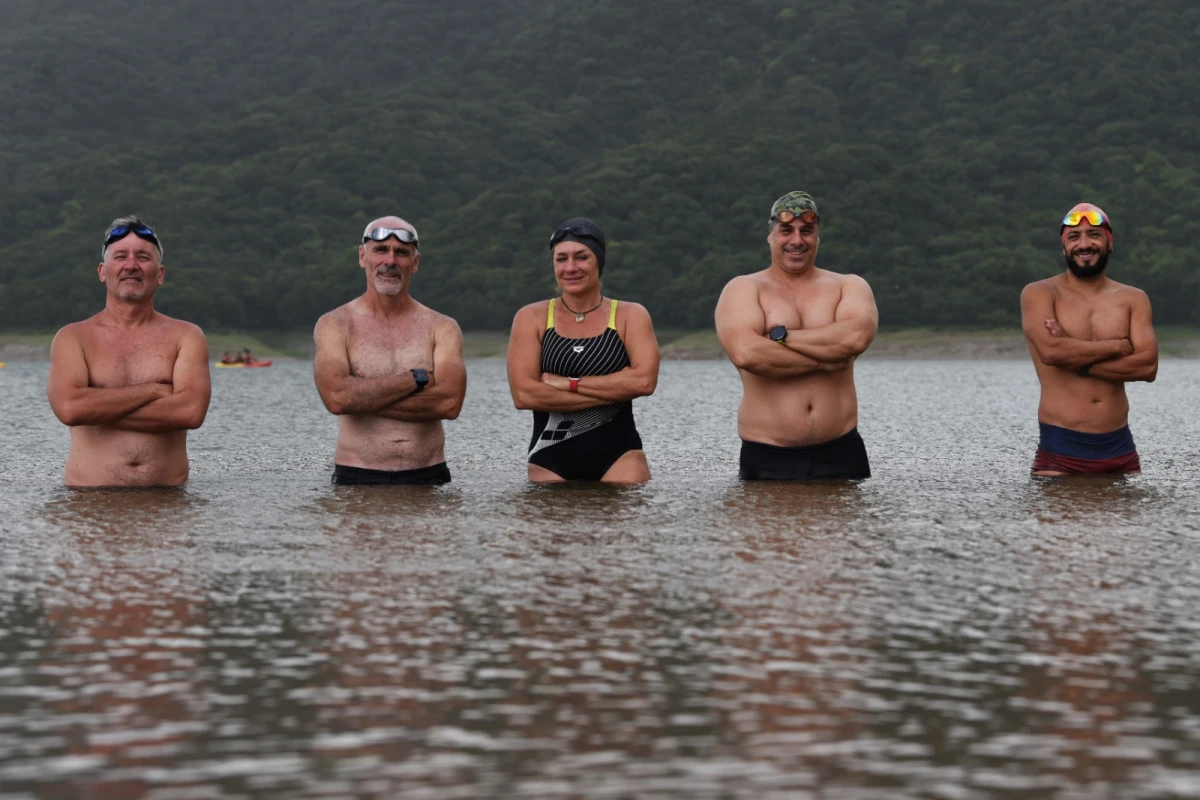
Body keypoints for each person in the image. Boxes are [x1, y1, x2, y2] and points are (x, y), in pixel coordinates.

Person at [714, 191, 877, 480]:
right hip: (768, 453)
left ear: (818, 237)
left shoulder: (849, 286)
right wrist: (827, 361)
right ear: (771, 236)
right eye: (786, 230)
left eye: (807, 231)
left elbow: (853, 339)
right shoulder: (743, 289)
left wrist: (779, 336)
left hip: (842, 450)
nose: (797, 240)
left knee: (846, 528)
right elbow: (748, 354)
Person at [46, 216, 211, 487]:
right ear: (102, 271)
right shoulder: (73, 338)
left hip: (167, 505)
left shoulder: (186, 336)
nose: (131, 265)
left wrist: (96, 408)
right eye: (120, 256)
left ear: (159, 274)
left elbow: (191, 412)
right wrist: (155, 390)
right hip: (88, 504)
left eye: (143, 258)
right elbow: (70, 408)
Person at [313, 216, 466, 485]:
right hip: (357, 475)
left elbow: (449, 403)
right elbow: (337, 398)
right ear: (363, 257)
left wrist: (363, 397)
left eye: (402, 253)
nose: (390, 261)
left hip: (429, 475)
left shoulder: (442, 327)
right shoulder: (336, 324)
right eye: (381, 250)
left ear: (415, 263)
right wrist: (415, 379)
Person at [507, 217, 659, 483]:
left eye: (581, 257)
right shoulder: (531, 317)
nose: (570, 267)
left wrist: (567, 384)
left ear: (598, 261)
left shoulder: (630, 315)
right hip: (549, 459)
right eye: (561, 259)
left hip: (621, 457)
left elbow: (644, 382)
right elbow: (524, 395)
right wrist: (616, 388)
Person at [1020, 203, 1157, 476]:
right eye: (1074, 237)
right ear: (1064, 247)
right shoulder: (1040, 293)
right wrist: (1117, 346)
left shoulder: (1134, 298)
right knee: (1058, 519)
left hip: (1121, 448)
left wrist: (1078, 361)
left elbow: (1146, 367)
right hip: (1061, 447)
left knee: (1134, 521)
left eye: (1094, 234)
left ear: (1109, 242)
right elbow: (1051, 352)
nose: (1084, 243)